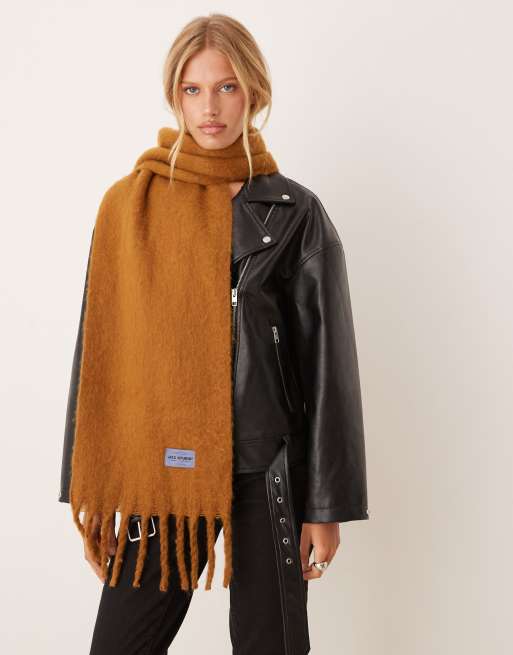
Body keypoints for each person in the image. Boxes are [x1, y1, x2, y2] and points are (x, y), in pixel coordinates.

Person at [58, 13, 369, 655]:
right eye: (193, 89)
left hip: (266, 468)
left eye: (227, 87)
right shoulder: (128, 208)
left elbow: (328, 366)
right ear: (175, 95)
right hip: (162, 470)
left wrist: (326, 505)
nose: (210, 107)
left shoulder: (294, 214)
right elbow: (98, 354)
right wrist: (92, 486)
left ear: (254, 91)